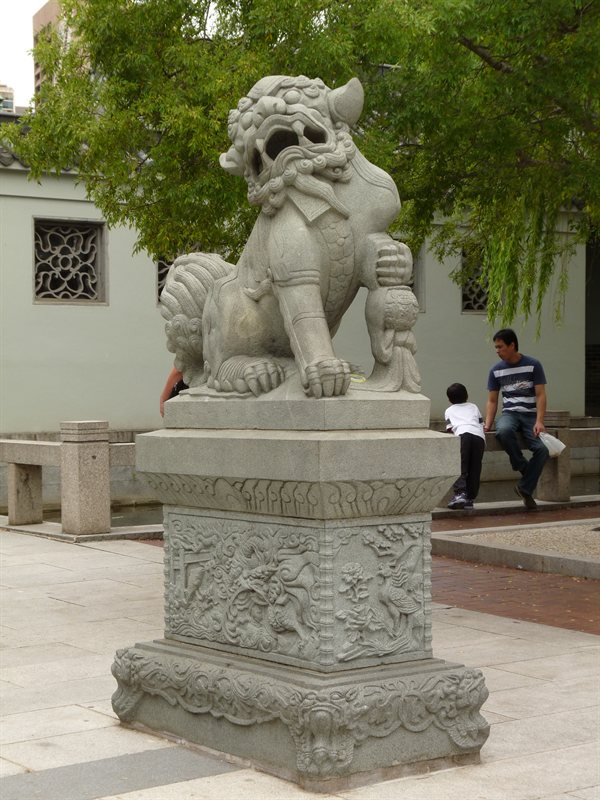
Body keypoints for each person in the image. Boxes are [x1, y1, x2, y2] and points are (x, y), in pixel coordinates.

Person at [484, 328, 549, 510]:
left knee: (542, 450)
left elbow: (541, 395)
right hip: (510, 414)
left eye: (500, 347)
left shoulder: (533, 365)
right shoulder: (496, 370)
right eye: (496, 347)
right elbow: (492, 400)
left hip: (530, 416)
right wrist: (488, 423)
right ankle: (524, 469)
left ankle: (524, 487)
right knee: (503, 431)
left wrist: (539, 421)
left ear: (512, 345)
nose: (497, 351)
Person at [444, 383, 486, 509]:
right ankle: (470, 497)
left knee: (460, 465)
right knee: (475, 467)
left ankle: (460, 493)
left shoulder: (449, 410)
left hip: (463, 435)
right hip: (479, 437)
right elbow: (481, 423)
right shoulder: (473, 406)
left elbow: (450, 429)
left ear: (449, 399)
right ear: (467, 395)